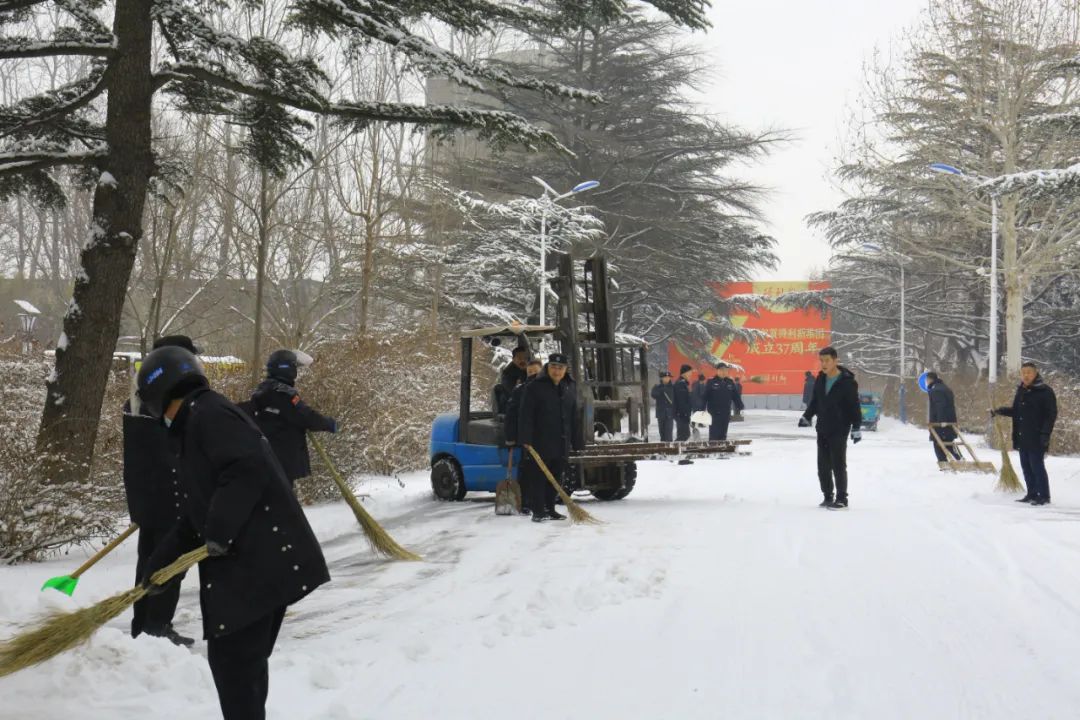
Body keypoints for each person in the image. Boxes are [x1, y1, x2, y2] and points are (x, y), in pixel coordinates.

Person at [136, 346, 330, 720]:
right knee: (239, 669)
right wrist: (163, 564)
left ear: (162, 394)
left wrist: (220, 530)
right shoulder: (197, 419)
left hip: (262, 563)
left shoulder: (208, 416)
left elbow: (248, 468)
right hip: (253, 565)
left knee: (235, 667)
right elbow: (198, 514)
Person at [124, 335, 198, 647]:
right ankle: (157, 625)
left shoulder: (139, 397)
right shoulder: (163, 404)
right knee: (170, 564)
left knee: (148, 561)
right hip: (169, 499)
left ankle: (143, 623)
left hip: (147, 499)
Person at [246, 349, 337, 486]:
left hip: (267, 456)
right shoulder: (283, 393)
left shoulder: (264, 389)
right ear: (287, 369)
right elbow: (305, 416)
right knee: (282, 501)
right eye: (295, 367)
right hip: (281, 458)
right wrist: (329, 424)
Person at [518, 353, 581, 522]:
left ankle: (550, 508)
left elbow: (574, 416)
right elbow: (526, 415)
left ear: (566, 370)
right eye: (553, 367)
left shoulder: (570, 386)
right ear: (547, 368)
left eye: (560, 368)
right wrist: (525, 438)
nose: (557, 371)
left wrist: (577, 440)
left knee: (556, 475)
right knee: (539, 477)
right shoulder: (535, 387)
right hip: (540, 441)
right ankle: (538, 510)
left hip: (561, 441)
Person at [799, 347, 862, 510]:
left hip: (840, 428)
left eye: (827, 360)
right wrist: (807, 415)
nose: (824, 364)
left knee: (838, 464)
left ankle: (842, 499)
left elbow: (854, 406)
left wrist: (856, 427)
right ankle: (828, 496)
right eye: (822, 360)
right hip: (823, 427)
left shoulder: (847, 382)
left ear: (835, 360)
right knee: (823, 465)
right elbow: (815, 401)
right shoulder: (820, 379)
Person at [992, 361, 1058, 505]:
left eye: (1029, 372)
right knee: (1026, 466)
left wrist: (1045, 434)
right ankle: (1032, 493)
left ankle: (1044, 496)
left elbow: (1050, 415)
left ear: (1035, 373)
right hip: (1022, 435)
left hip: (1037, 435)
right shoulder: (1021, 390)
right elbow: (1016, 411)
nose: (1026, 375)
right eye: (1023, 373)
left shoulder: (1045, 391)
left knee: (1037, 466)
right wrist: (1000, 411)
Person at [926, 372, 962, 465]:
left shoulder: (936, 391)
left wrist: (941, 422)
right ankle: (959, 459)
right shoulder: (946, 388)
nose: (926, 382)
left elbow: (940, 406)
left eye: (927, 380)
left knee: (938, 442)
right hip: (950, 420)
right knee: (949, 442)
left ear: (930, 379)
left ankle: (943, 463)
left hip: (940, 423)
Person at [504, 358, 542, 445]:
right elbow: (511, 415)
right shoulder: (520, 391)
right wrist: (510, 437)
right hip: (528, 438)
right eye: (530, 372)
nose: (533, 374)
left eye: (536, 371)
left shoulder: (552, 389)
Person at [704, 362, 744, 441]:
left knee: (723, 434)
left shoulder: (730, 382)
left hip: (725, 413)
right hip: (714, 414)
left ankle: (722, 451)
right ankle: (713, 451)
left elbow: (735, 396)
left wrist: (740, 405)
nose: (724, 372)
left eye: (725, 370)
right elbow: (705, 396)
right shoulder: (711, 382)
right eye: (722, 370)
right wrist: (701, 408)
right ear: (717, 371)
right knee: (714, 435)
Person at [650, 370, 676, 442]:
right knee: (662, 433)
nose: (667, 379)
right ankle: (663, 448)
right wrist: (661, 390)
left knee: (669, 432)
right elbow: (653, 395)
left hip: (670, 413)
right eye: (665, 377)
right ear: (661, 378)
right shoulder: (657, 387)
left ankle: (669, 449)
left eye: (668, 377)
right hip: (661, 413)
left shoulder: (673, 387)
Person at [673, 364, 694, 443]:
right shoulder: (680, 384)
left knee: (683, 434)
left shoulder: (683, 383)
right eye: (690, 372)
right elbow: (682, 401)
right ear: (684, 373)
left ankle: (676, 450)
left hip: (682, 414)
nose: (691, 374)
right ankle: (673, 449)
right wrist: (685, 415)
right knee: (684, 435)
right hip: (681, 414)